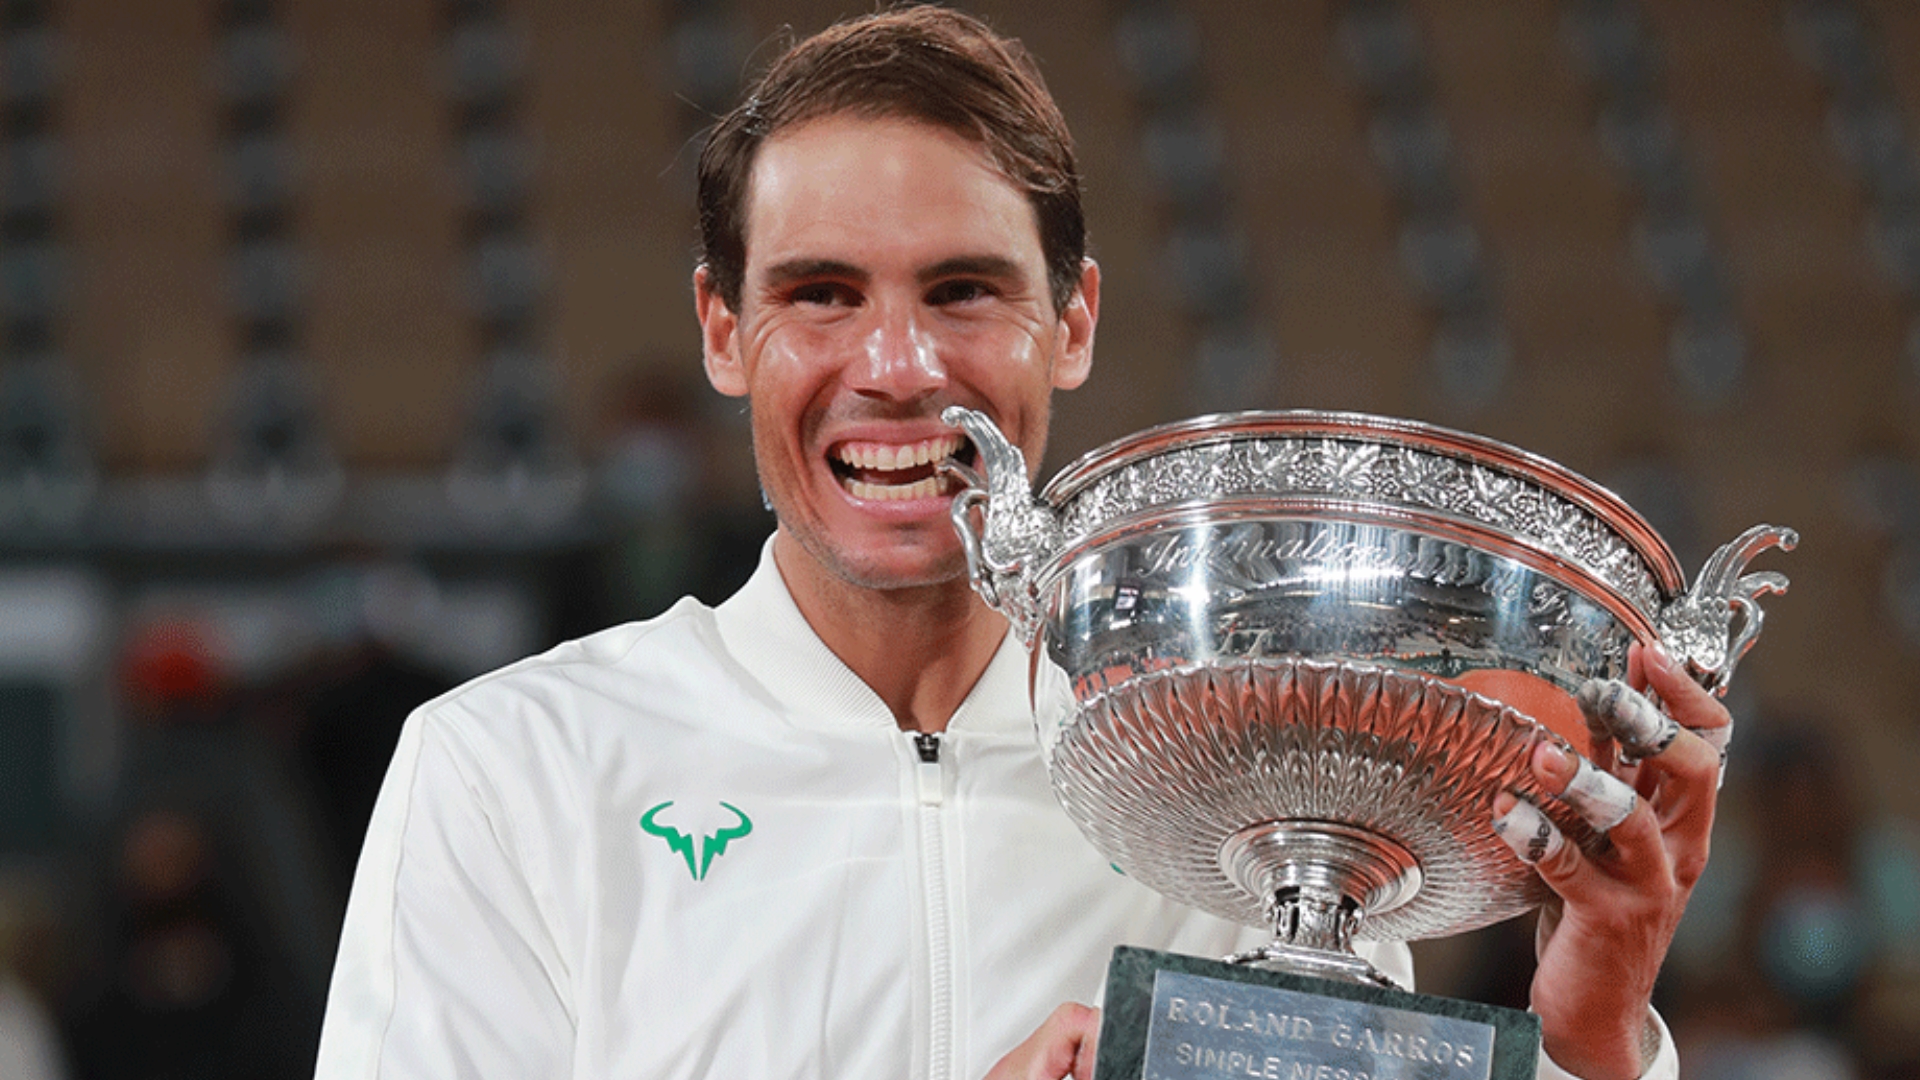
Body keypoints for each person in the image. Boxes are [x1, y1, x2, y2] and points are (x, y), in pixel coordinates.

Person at [312, 8, 1734, 1079]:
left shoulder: (1263, 778)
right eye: (818, 293)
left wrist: (1593, 1036)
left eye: (964, 291)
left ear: (1075, 322)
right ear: (722, 333)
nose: (897, 364)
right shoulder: (515, 772)